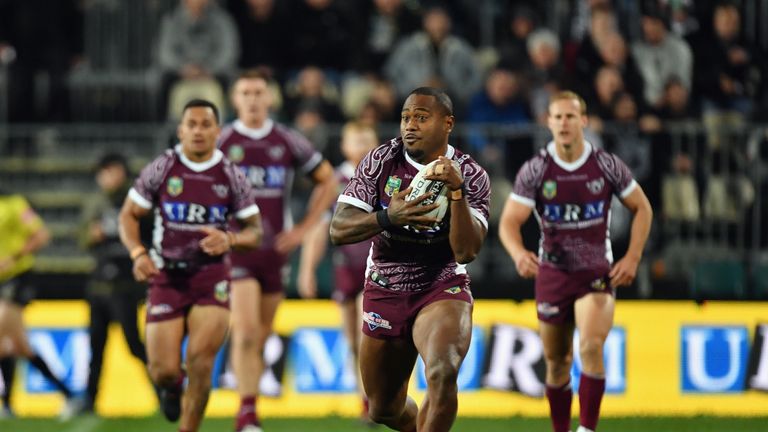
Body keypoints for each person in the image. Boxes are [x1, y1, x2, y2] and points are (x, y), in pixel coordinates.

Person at [329, 87, 491, 431]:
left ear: (447, 124)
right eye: (405, 118)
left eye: (421, 117)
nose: (410, 126)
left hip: (441, 282)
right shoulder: (379, 161)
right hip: (386, 284)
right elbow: (338, 229)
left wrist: (457, 193)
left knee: (442, 372)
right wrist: (390, 216)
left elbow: (466, 251)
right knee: (383, 409)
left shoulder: (471, 174)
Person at [498, 91, 653, 432]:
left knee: (591, 346)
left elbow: (643, 208)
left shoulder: (606, 165)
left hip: (596, 272)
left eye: (571, 116)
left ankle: (587, 428)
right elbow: (509, 221)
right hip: (553, 273)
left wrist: (633, 257)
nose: (564, 123)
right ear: (548, 122)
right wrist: (518, 253)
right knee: (557, 362)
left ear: (584, 121)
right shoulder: (536, 169)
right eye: (558, 117)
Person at [118, 99, 262, 432]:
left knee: (201, 362)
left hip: (211, 278)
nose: (198, 131)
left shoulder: (231, 175)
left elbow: (255, 231)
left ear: (217, 131)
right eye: (191, 125)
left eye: (205, 124)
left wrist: (230, 239)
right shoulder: (163, 167)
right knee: (163, 370)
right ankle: (171, 387)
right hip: (165, 276)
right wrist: (138, 253)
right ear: (181, 130)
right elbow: (128, 214)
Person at [218, 69, 338, 432]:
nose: (253, 99)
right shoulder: (223, 141)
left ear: (270, 98)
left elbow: (328, 180)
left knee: (263, 334)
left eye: (258, 92)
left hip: (275, 253)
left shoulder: (286, 140)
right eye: (246, 93)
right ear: (235, 99)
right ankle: (247, 413)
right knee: (247, 331)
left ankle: (250, 405)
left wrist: (302, 229)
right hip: (238, 252)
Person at [296, 121, 379, 420]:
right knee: (353, 342)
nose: (362, 145)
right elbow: (318, 230)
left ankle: (374, 400)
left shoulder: (385, 178)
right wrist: (306, 271)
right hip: (345, 267)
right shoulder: (334, 182)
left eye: (367, 139)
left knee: (365, 329)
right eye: (356, 140)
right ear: (344, 146)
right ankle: (365, 400)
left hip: (376, 268)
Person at [72, 153, 148, 414]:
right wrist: (91, 236)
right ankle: (90, 400)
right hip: (98, 285)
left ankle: (165, 390)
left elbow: (149, 234)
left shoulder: (136, 202)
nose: (107, 177)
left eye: (112, 171)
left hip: (125, 286)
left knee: (134, 344)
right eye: (104, 172)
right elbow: (82, 238)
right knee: (96, 347)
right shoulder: (95, 202)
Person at [0, 190, 76, 418]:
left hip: (18, 278)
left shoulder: (14, 204)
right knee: (19, 347)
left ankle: (6, 406)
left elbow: (41, 235)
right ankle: (69, 395)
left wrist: (13, 257)